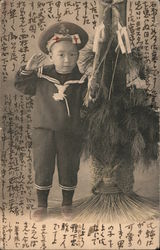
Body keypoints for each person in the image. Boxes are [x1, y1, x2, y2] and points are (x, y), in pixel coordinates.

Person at [14, 22, 88, 220]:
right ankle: (42, 205)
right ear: (51, 56)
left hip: (71, 132)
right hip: (43, 131)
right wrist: (27, 70)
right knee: (43, 166)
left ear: (78, 56)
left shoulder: (82, 80)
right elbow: (22, 86)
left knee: (69, 166)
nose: (67, 60)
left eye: (72, 54)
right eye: (61, 54)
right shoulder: (40, 76)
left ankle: (66, 204)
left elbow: (89, 103)